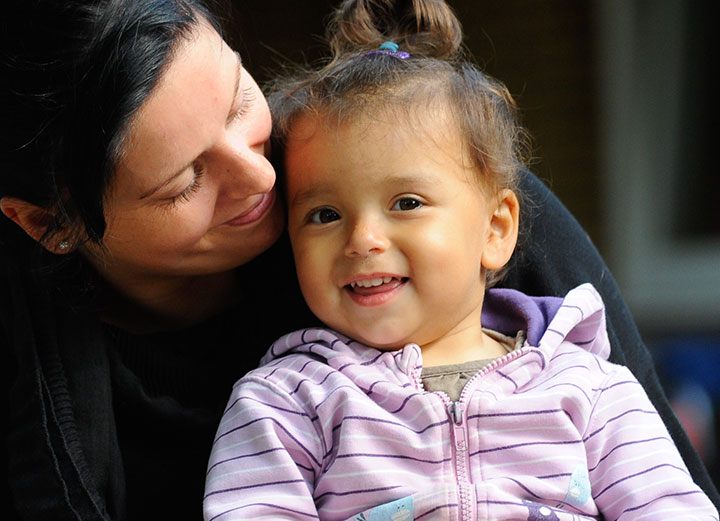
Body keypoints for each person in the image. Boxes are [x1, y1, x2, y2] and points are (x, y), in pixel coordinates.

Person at [1, 0, 716, 520]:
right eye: (185, 179)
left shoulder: (580, 376)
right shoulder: (289, 402)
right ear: (50, 225)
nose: (262, 181)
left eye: (236, 103)